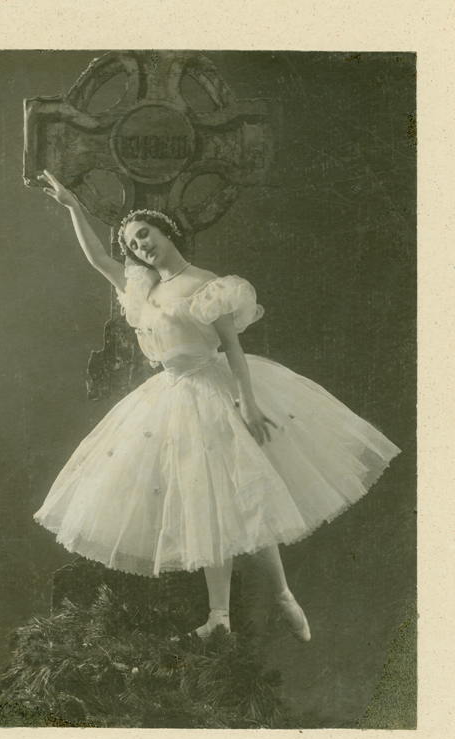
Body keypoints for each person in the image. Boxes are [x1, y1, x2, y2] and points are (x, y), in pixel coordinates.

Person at [34, 170, 401, 642]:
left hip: (213, 390)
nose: (139, 247)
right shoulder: (143, 289)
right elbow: (99, 259)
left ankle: (284, 594)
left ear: (165, 230)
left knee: (245, 494)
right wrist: (72, 206)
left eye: (144, 234)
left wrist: (247, 404)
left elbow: (232, 348)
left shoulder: (209, 285)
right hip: (169, 398)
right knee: (204, 501)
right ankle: (218, 617)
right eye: (132, 244)